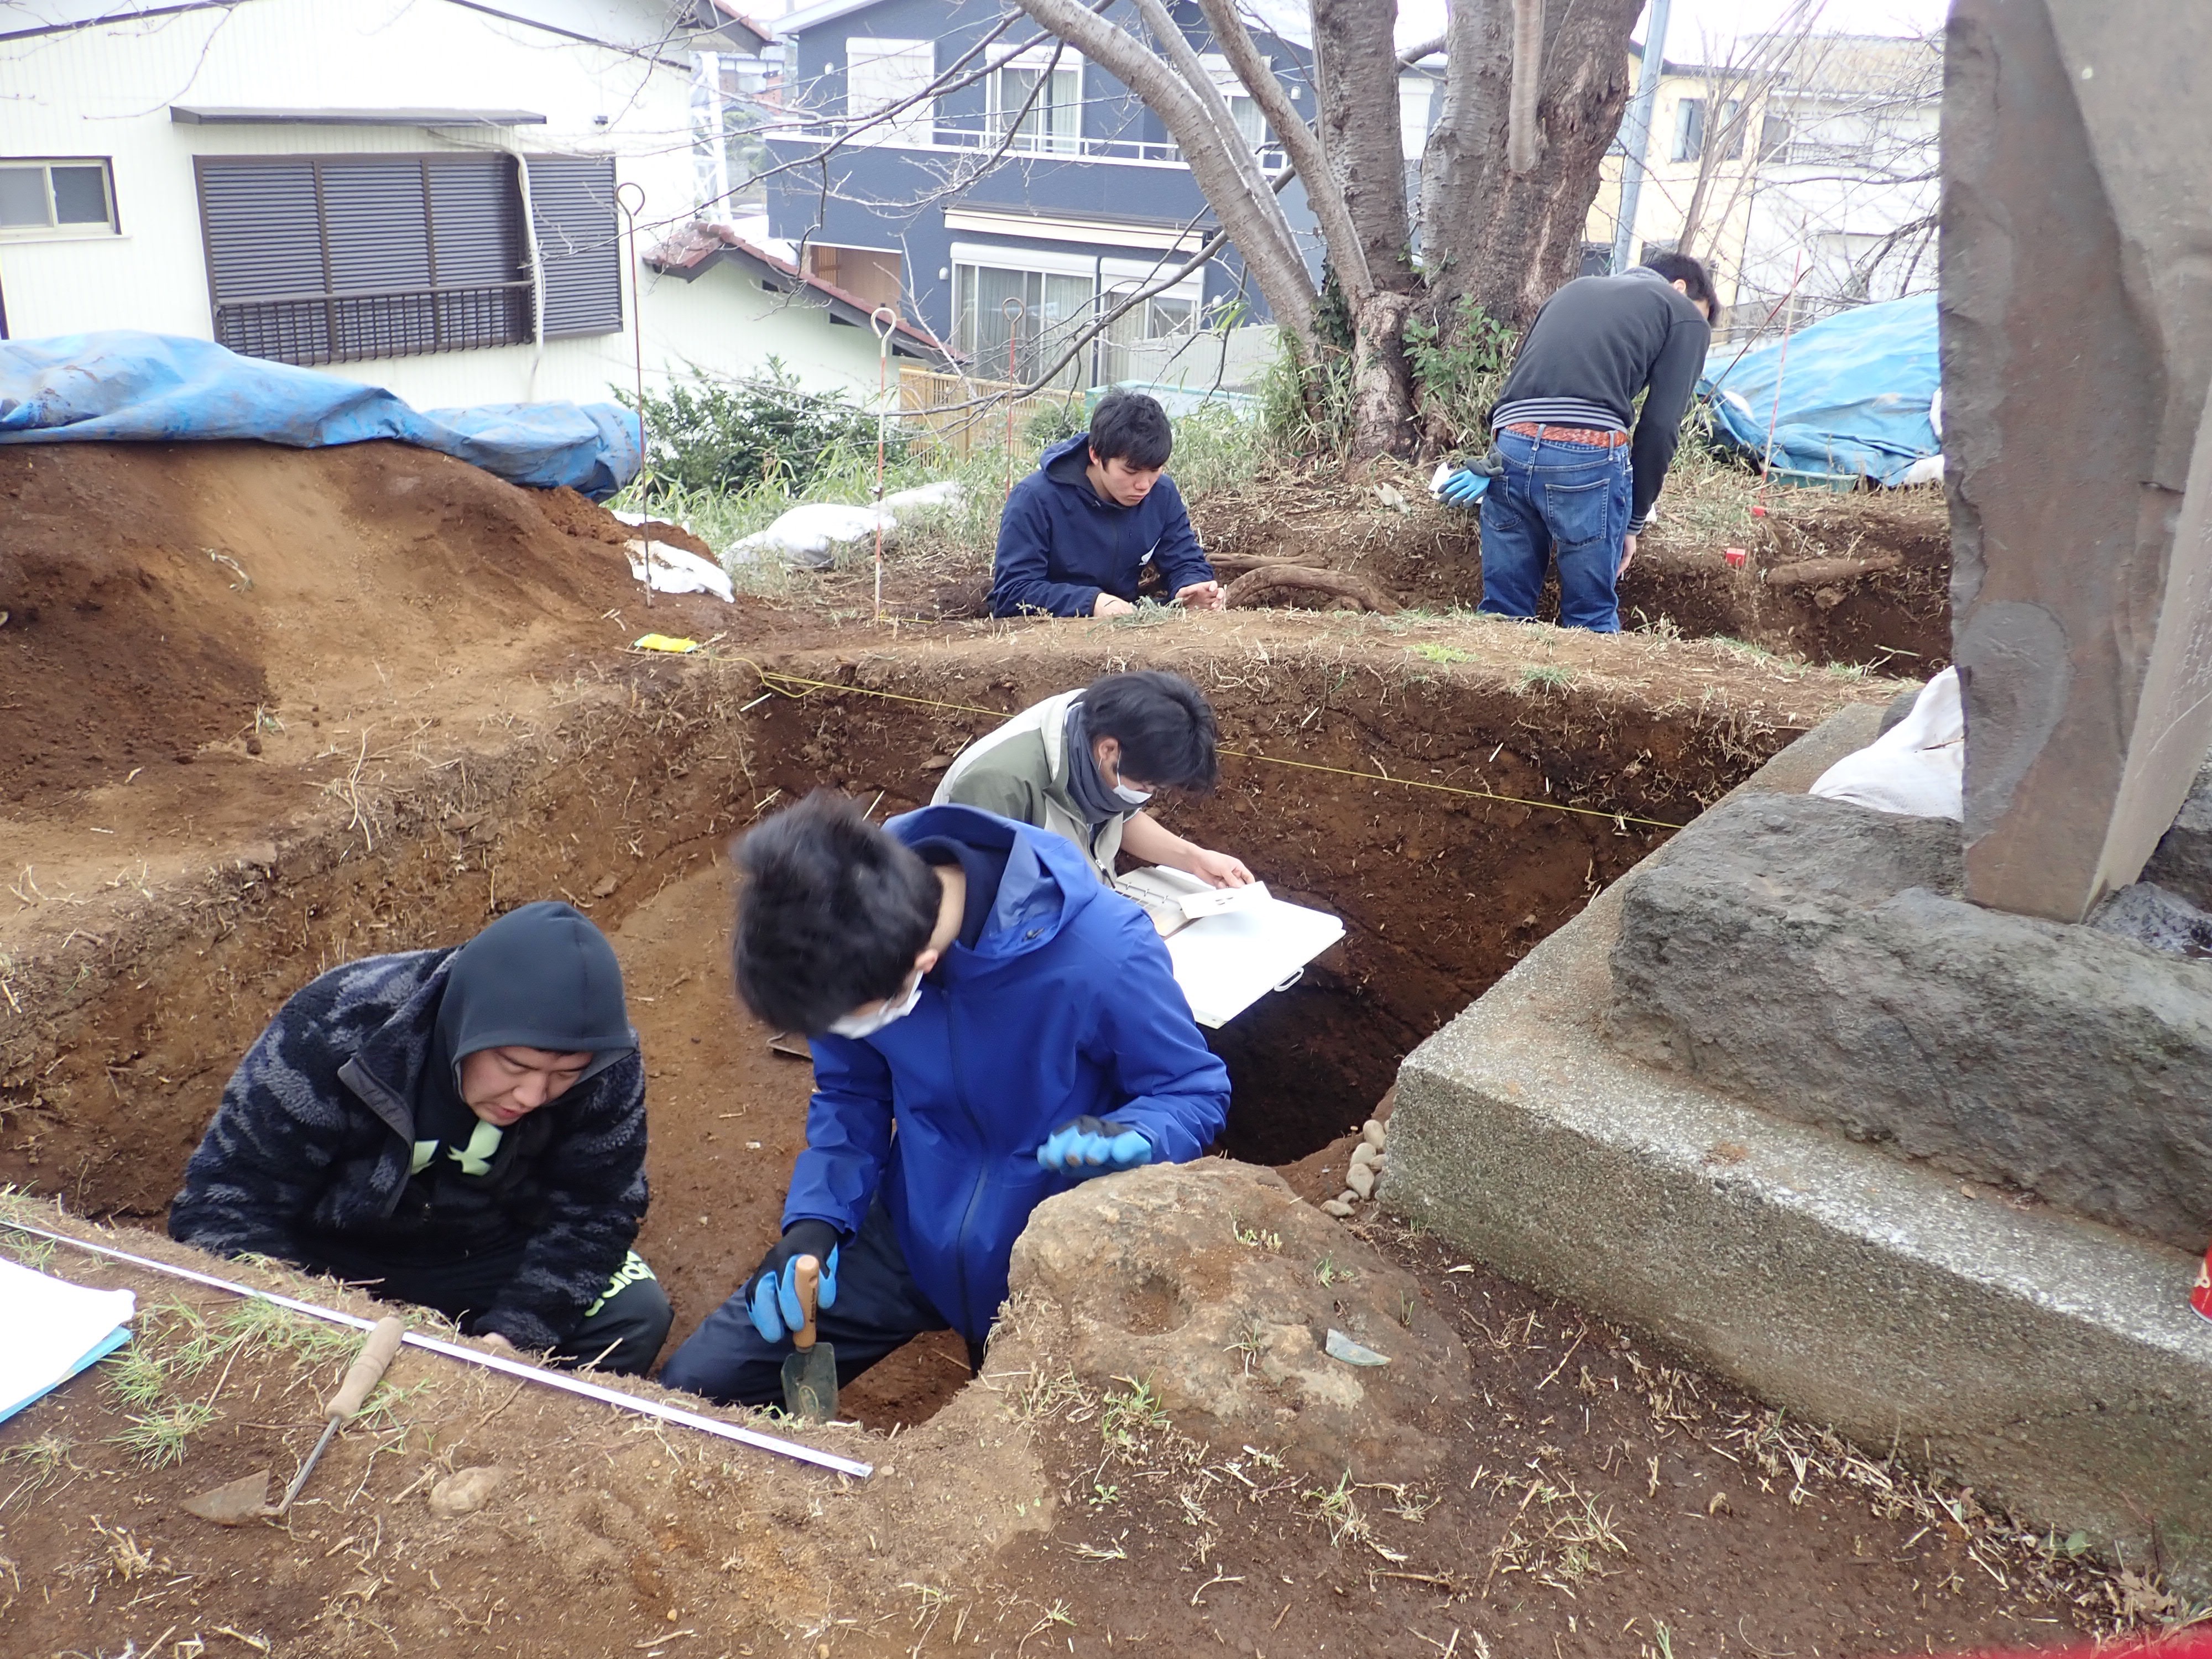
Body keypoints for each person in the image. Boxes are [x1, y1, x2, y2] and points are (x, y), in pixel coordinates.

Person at [658, 791, 1230, 1406]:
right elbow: (853, 1094)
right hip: (911, 1224)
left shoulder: (1100, 954)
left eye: (851, 1020)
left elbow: (1190, 1089)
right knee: (696, 1387)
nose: (843, 1034)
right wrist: (817, 1220)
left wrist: (1137, 1135)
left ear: (921, 966)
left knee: (1007, 1455)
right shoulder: (844, 919)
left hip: (1045, 1254)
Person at [169, 901, 672, 1375]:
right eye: (516, 1066)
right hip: (331, 1253)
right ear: (467, 1023)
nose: (534, 1094)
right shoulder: (336, 1024)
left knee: (635, 1311)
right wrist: (311, 1317)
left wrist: (514, 1339)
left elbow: (597, 1211)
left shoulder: (603, 1062)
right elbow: (226, 1199)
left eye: (563, 1075)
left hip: (485, 1252)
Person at [1439, 251, 1716, 633]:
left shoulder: (1571, 291)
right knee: (1590, 620)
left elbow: (1522, 386)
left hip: (1510, 447)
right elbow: (1661, 426)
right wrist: (1633, 522)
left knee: (1502, 615)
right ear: (1680, 288)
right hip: (1586, 454)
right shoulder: (1684, 314)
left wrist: (1495, 460)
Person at [932, 669, 1251, 888]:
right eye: (1144, 787)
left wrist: (1195, 860)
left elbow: (1121, 819)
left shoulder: (1097, 733)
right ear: (1109, 750)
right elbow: (976, 900)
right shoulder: (998, 785)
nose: (1146, 796)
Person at [989, 389, 1225, 618]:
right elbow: (1011, 592)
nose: (1144, 485)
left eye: (1154, 470)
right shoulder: (1035, 499)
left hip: (1129, 628)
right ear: (1095, 455)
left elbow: (1184, 560)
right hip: (1055, 637)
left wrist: (1192, 586)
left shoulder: (1162, 493)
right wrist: (1091, 603)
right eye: (1130, 471)